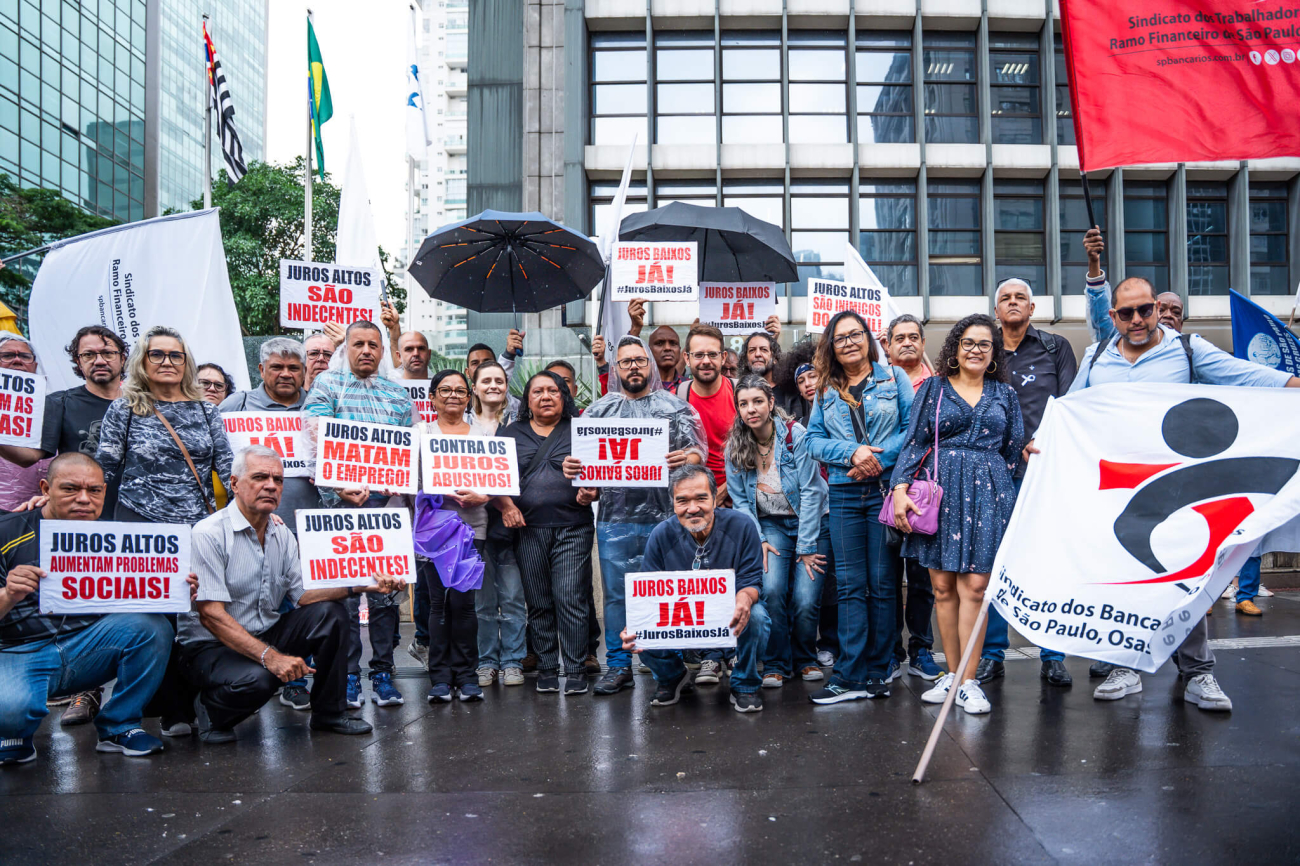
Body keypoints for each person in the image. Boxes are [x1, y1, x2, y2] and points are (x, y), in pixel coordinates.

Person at [1067, 275, 1298, 710]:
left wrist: (1294, 388)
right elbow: (1069, 410)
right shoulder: (1095, 356)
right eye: (1126, 313)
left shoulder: (1188, 349)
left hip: (1179, 491)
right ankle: (1125, 667)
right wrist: (1041, 441)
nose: (1137, 320)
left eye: (1145, 309)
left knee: (1183, 581)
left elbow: (1250, 378)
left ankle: (1199, 675)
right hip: (1116, 492)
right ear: (1112, 317)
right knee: (1126, 581)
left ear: (1157, 307)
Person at [178, 446, 401, 743]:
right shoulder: (209, 533)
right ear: (234, 484)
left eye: (278, 479)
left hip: (264, 631)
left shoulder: (280, 533)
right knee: (261, 680)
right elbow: (211, 615)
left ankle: (329, 713)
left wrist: (361, 585)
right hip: (211, 647)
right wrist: (271, 658)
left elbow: (303, 595)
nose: (271, 485)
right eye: (259, 477)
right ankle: (209, 710)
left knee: (331, 612)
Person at [891, 313, 1025, 716]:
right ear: (955, 348)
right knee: (943, 589)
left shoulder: (1005, 394)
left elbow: (1013, 447)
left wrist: (991, 480)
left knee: (976, 589)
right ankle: (952, 673)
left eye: (985, 344)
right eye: (969, 342)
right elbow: (913, 443)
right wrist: (899, 489)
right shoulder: (932, 388)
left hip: (987, 493)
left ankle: (968, 681)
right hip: (940, 492)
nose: (976, 350)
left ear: (993, 352)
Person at [0, 453, 174, 764]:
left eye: (94, 490)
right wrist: (9, 594)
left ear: (105, 492)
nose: (84, 499)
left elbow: (143, 600)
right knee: (10, 712)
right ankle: (14, 734)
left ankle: (120, 726)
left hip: (86, 646)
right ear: (45, 487)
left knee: (153, 627)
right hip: (18, 651)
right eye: (70, 489)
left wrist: (173, 587)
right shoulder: (7, 531)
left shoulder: (118, 537)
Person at [563, 335, 706, 697]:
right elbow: (586, 473)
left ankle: (667, 664)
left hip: (668, 518)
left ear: (651, 364)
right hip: (615, 518)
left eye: (640, 360)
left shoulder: (676, 408)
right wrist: (578, 476)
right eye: (625, 362)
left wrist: (688, 458)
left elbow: (698, 455)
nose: (634, 367)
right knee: (616, 596)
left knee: (668, 593)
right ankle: (619, 664)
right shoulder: (597, 412)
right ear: (615, 368)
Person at [0, 325, 128, 727]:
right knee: (86, 605)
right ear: (77, 363)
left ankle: (142, 700)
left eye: (106, 351)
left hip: (137, 518)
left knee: (146, 612)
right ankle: (86, 691)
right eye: (88, 354)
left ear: (123, 356)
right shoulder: (61, 402)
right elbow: (29, 456)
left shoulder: (145, 400)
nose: (99, 359)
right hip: (84, 522)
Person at [303, 320, 417, 709]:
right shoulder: (327, 386)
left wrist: (397, 480)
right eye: (358, 344)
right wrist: (337, 485)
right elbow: (316, 436)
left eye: (373, 344)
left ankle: (383, 672)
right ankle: (348, 675)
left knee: (387, 593)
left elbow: (407, 448)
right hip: (340, 507)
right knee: (346, 598)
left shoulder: (398, 395)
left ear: (383, 351)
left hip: (386, 508)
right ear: (345, 348)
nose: (366, 350)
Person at [805, 310, 913, 703]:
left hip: (885, 492)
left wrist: (878, 461)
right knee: (850, 586)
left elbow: (912, 429)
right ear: (831, 347)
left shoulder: (894, 378)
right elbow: (813, 440)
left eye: (855, 334)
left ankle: (879, 669)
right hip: (845, 494)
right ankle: (849, 675)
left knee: (883, 585)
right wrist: (853, 453)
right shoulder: (825, 389)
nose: (848, 342)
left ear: (868, 339)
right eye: (840, 338)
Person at [976, 279, 1079, 688]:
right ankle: (992, 654)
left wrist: (1043, 440)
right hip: (993, 475)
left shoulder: (1055, 347)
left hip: (1045, 474)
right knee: (996, 565)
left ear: (1032, 307)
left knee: (1048, 566)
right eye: (1005, 298)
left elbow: (1071, 404)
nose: (1013, 302)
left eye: (1020, 297)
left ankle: (1052, 656)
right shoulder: (983, 348)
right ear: (996, 310)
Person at [220, 337, 321, 711]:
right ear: (261, 370)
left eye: (294, 368)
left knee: (300, 606)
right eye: (277, 367)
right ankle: (245, 672)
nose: (285, 374)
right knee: (250, 602)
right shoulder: (236, 406)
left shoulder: (318, 406)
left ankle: (295, 680)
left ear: (304, 371)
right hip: (251, 527)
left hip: (307, 525)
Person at [618, 465, 770, 713]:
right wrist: (635, 623)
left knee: (758, 616)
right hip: (682, 616)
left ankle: (745, 684)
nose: (692, 508)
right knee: (637, 631)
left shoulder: (742, 526)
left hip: (730, 614)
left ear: (715, 497)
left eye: (701, 498)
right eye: (682, 501)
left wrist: (744, 598)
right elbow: (647, 597)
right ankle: (671, 677)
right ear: (673, 504)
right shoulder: (661, 535)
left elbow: (752, 580)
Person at [497, 372, 597, 695]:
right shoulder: (510, 434)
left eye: (552, 390)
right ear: (527, 400)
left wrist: (590, 492)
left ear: (564, 395)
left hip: (573, 527)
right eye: (537, 391)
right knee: (538, 600)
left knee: (571, 597)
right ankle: (547, 667)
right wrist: (506, 506)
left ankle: (576, 667)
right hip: (528, 530)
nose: (545, 396)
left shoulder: (582, 432)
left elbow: (600, 474)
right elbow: (495, 480)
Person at [725, 375, 827, 687]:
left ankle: (806, 657)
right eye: (743, 403)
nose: (751, 409)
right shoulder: (735, 447)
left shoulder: (796, 436)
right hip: (770, 525)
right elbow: (740, 500)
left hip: (810, 523)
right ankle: (777, 661)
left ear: (771, 403)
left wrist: (807, 545)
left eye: (757, 401)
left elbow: (812, 491)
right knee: (770, 591)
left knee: (806, 598)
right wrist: (760, 538)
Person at [96, 325, 234, 525]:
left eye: (176, 356)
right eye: (157, 355)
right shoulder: (124, 409)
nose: (167, 362)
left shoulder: (207, 411)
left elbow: (227, 467)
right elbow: (103, 468)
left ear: (186, 363)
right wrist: (60, 497)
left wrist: (251, 508)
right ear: (142, 361)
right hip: (138, 518)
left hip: (198, 522)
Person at [878, 315, 940, 681]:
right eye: (898, 338)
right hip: (884, 490)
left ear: (923, 341)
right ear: (886, 345)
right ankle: (890, 654)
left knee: (921, 580)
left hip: (925, 495)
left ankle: (921, 650)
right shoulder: (878, 384)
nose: (906, 343)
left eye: (913, 337)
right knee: (886, 579)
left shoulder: (940, 386)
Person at [420, 370, 488, 702]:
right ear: (432, 397)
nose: (452, 396)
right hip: (433, 531)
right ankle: (440, 678)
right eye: (445, 390)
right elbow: (406, 477)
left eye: (460, 391)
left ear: (469, 397)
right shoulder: (419, 433)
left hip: (472, 527)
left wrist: (484, 496)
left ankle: (467, 675)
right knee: (438, 603)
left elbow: (496, 479)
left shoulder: (483, 434)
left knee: (464, 604)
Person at [774, 341, 841, 670]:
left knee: (831, 583)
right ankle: (794, 651)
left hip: (837, 501)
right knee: (799, 587)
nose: (808, 384)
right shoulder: (794, 425)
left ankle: (829, 641)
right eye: (801, 381)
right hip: (805, 509)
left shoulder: (839, 407)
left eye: (812, 376)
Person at [467, 361, 526, 686]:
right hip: (472, 527)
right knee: (483, 601)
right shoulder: (460, 427)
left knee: (514, 599)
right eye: (485, 380)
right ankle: (487, 661)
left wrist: (503, 502)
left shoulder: (519, 426)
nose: (493, 385)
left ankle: (513, 661)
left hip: (510, 529)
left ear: (506, 386)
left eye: (499, 380)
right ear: (473, 386)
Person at [676, 324, 735, 505]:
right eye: (699, 355)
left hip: (736, 500)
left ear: (723, 357)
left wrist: (723, 493)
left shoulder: (741, 394)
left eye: (712, 354)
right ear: (687, 358)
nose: (706, 361)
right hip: (692, 502)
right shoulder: (675, 400)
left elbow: (759, 452)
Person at [0, 335, 52, 511]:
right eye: (7, 355)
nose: (17, 360)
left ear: (34, 365)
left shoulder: (55, 403)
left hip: (45, 510)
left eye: (24, 356)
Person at [884, 315, 930, 391]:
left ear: (923, 343)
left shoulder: (942, 382)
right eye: (900, 339)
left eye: (913, 338)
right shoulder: (875, 382)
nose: (907, 343)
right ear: (888, 346)